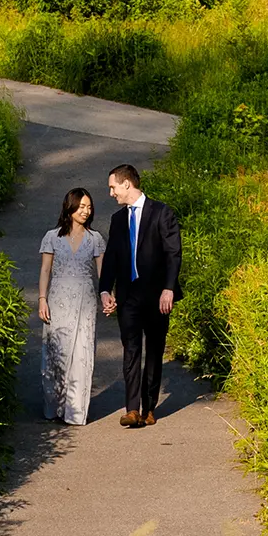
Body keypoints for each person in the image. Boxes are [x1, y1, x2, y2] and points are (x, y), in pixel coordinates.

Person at [99, 164, 182, 429]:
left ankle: (149, 408)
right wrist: (104, 290)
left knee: (155, 350)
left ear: (127, 184)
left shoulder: (161, 212)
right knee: (131, 350)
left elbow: (173, 253)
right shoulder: (117, 220)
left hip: (158, 296)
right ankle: (132, 409)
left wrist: (168, 288)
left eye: (113, 187)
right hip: (128, 297)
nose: (111, 193)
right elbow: (111, 257)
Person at [37, 188, 106, 425]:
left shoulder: (95, 239)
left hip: (85, 302)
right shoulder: (52, 237)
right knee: (56, 352)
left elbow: (102, 274)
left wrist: (108, 296)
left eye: (89, 207)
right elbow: (46, 270)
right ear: (70, 207)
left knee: (82, 353)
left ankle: (75, 412)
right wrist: (42, 299)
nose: (86, 211)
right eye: (82, 206)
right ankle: (54, 407)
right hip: (57, 300)